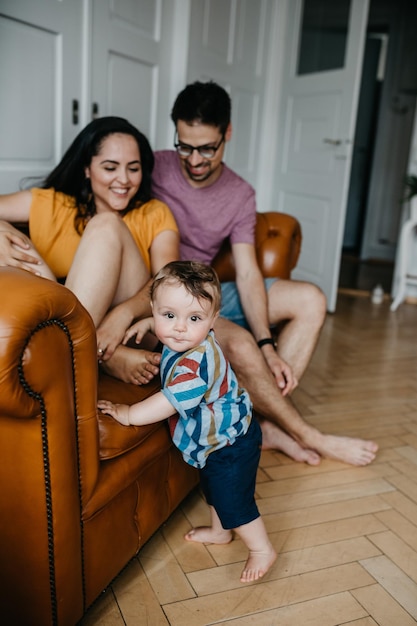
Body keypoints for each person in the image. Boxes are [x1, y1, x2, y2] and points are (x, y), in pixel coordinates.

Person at [147, 80, 379, 466]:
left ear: (228, 134)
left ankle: (259, 421)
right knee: (239, 346)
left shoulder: (240, 193)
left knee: (311, 299)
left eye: (207, 148)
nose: (194, 159)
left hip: (214, 291)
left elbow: (250, 273)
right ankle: (306, 434)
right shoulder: (155, 167)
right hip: (172, 298)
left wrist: (268, 345)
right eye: (185, 146)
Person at [98, 261, 277, 583]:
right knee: (212, 486)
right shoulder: (181, 336)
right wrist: (146, 324)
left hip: (232, 441)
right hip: (215, 438)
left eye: (194, 318)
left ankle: (262, 549)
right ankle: (221, 533)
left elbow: (167, 402)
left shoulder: (195, 366)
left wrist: (127, 413)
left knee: (233, 498)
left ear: (213, 321)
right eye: (168, 316)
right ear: (154, 310)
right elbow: (169, 321)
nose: (179, 328)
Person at [0, 116, 177, 383]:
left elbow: (171, 280)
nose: (124, 179)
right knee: (8, 236)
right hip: (69, 319)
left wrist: (123, 313)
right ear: (86, 169)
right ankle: (104, 357)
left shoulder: (154, 212)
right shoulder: (53, 204)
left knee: (107, 224)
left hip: (131, 329)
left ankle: (64, 350)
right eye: (110, 167)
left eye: (133, 168)